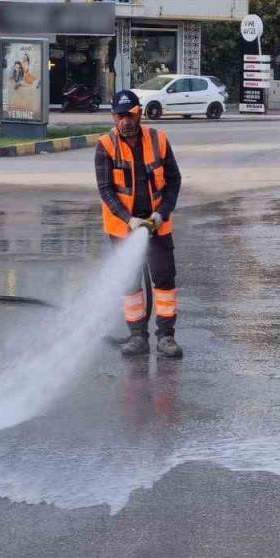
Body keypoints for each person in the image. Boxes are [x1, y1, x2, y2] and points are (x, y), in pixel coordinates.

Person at [95, 90, 183, 358]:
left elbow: (174, 181)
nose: (125, 121)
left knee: (164, 277)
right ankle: (137, 337)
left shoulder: (158, 140)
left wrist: (161, 213)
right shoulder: (105, 146)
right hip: (124, 227)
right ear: (113, 117)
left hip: (157, 223)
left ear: (139, 113)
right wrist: (129, 219)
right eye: (120, 116)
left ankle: (166, 337)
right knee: (131, 282)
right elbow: (106, 189)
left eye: (130, 115)